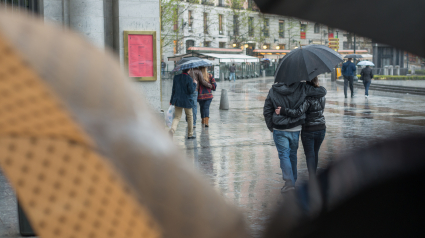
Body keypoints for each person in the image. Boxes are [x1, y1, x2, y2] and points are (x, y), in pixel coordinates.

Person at [263, 81, 327, 193]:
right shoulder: (302, 87)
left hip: (279, 128)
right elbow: (322, 91)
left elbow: (267, 109)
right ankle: (293, 180)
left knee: (284, 155)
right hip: (295, 128)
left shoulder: (273, 90)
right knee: (292, 155)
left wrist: (270, 126)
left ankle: (289, 183)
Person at [276, 77, 326, 179]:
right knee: (315, 153)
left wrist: (283, 110)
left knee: (310, 155)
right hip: (321, 128)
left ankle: (312, 177)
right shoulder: (322, 96)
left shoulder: (307, 98)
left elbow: (298, 112)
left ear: (306, 84)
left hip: (308, 129)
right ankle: (314, 176)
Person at [170, 68, 197, 139]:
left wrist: (171, 100)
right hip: (187, 101)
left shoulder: (176, 77)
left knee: (177, 117)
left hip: (178, 100)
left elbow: (173, 90)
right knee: (190, 117)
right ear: (189, 70)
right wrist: (194, 84)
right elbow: (191, 91)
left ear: (182, 70)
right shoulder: (189, 79)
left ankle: (172, 130)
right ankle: (190, 134)